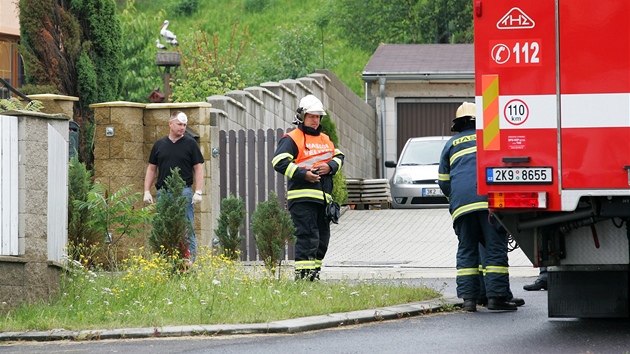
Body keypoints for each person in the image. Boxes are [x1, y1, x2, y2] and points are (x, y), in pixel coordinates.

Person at [438, 102, 517, 312]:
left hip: (461, 206)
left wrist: (455, 200)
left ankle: (469, 300)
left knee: (466, 249)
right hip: (489, 201)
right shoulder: (490, 138)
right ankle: (497, 298)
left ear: (459, 124)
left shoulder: (451, 144)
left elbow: (443, 181)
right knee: (494, 249)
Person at [272, 95, 345, 281]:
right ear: (302, 116)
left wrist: (331, 166)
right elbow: (278, 162)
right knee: (307, 238)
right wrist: (303, 174)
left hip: (323, 199)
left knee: (321, 241)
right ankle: (303, 278)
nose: (315, 120)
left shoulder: (325, 140)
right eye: (312, 116)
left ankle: (313, 276)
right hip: (303, 199)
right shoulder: (292, 138)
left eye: (318, 117)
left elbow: (339, 156)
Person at [144, 111, 205, 263]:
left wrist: (198, 191)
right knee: (163, 226)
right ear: (170, 123)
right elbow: (152, 169)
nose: (182, 128)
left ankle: (189, 262)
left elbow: (198, 168)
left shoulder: (190, 144)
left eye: (184, 125)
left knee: (186, 227)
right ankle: (166, 260)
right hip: (163, 192)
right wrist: (146, 191)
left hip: (184, 191)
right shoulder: (159, 145)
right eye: (179, 124)